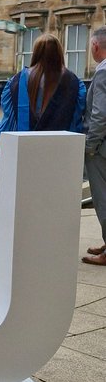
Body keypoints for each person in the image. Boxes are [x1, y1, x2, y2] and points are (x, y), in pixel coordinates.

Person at [1, 33, 86, 133]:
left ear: (36, 53)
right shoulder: (74, 82)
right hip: (61, 144)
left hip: (24, 144)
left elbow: (8, 123)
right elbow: (76, 121)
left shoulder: (16, 81)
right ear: (59, 53)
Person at [82, 26, 106, 267]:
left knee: (103, 200)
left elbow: (100, 115)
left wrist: (90, 146)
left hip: (101, 150)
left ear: (96, 46)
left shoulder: (103, 73)